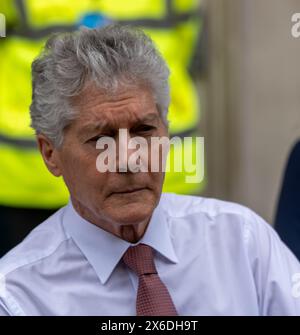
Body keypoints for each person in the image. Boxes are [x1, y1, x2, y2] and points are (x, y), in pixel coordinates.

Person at [0, 24, 300, 316]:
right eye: (100, 139)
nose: (129, 158)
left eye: (144, 130)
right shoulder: (18, 297)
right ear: (50, 153)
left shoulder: (241, 241)